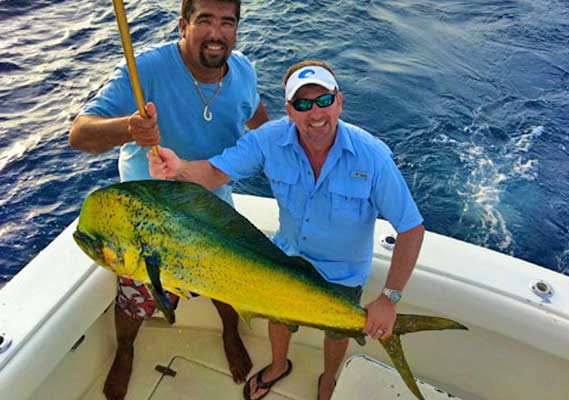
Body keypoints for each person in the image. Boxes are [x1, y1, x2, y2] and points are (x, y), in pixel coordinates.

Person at [148, 60, 425, 400]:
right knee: (278, 320)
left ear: (339, 102)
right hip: (287, 258)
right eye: (303, 104)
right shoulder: (269, 139)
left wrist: (389, 298)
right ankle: (279, 365)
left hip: (343, 273)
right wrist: (180, 168)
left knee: (338, 333)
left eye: (324, 100)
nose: (316, 113)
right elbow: (216, 173)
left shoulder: (372, 157)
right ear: (290, 111)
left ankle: (328, 381)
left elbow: (411, 228)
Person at [69, 0, 269, 399]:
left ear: (236, 29)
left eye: (227, 22)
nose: (216, 33)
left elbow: (257, 115)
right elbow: (80, 134)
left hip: (212, 207)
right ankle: (125, 350)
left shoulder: (243, 70)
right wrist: (129, 128)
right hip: (149, 219)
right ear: (183, 25)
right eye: (205, 21)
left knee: (226, 288)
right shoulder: (146, 70)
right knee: (133, 297)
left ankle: (230, 332)